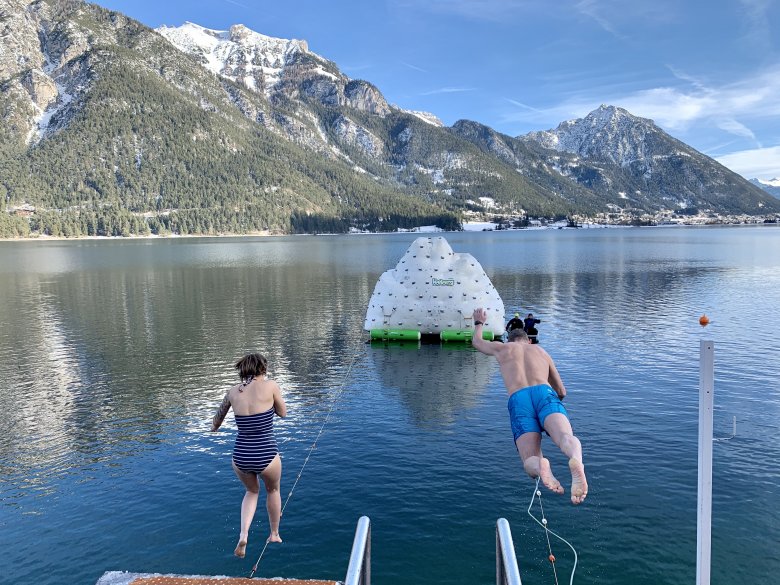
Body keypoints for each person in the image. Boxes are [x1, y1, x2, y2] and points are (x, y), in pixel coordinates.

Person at [471, 308, 588, 505]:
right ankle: (575, 458)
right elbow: (562, 391)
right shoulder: (541, 351)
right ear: (529, 341)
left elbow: (477, 342)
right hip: (545, 393)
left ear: (509, 340)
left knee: (529, 457)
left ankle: (541, 466)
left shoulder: (503, 349)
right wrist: (552, 408)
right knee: (566, 437)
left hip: (519, 399)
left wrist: (479, 322)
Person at [211, 352, 288, 556]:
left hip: (241, 455)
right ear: (263, 368)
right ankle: (274, 533)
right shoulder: (271, 386)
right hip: (266, 453)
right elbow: (283, 412)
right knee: (273, 491)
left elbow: (216, 422)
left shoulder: (232, 392)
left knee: (252, 492)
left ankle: (244, 534)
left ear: (243, 370)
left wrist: (214, 427)